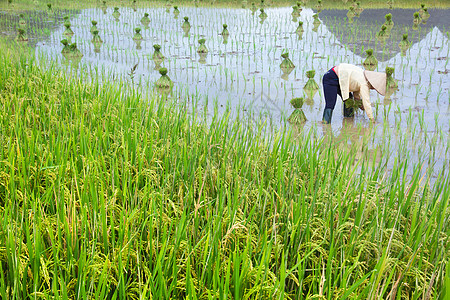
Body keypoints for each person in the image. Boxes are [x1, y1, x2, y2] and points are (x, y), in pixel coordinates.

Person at [322, 63, 386, 124]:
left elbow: (356, 93)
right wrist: (372, 119)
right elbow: (367, 102)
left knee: (349, 99)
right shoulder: (364, 84)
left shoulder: (362, 76)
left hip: (341, 78)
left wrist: (359, 104)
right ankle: (325, 124)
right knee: (330, 103)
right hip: (331, 77)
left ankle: (348, 120)